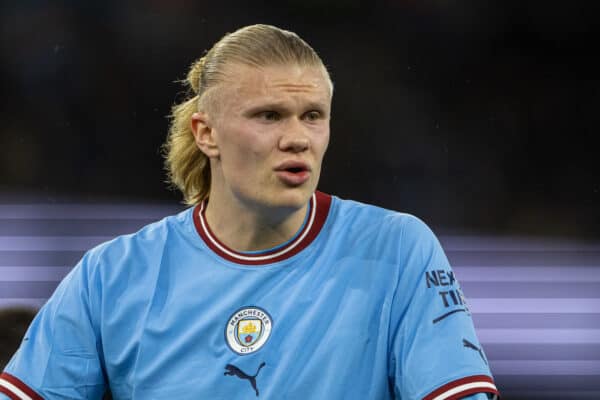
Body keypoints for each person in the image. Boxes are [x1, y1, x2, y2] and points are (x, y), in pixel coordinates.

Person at [0, 24, 499, 399]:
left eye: (313, 116)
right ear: (206, 133)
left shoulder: (396, 250)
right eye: (268, 115)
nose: (297, 138)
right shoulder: (110, 277)